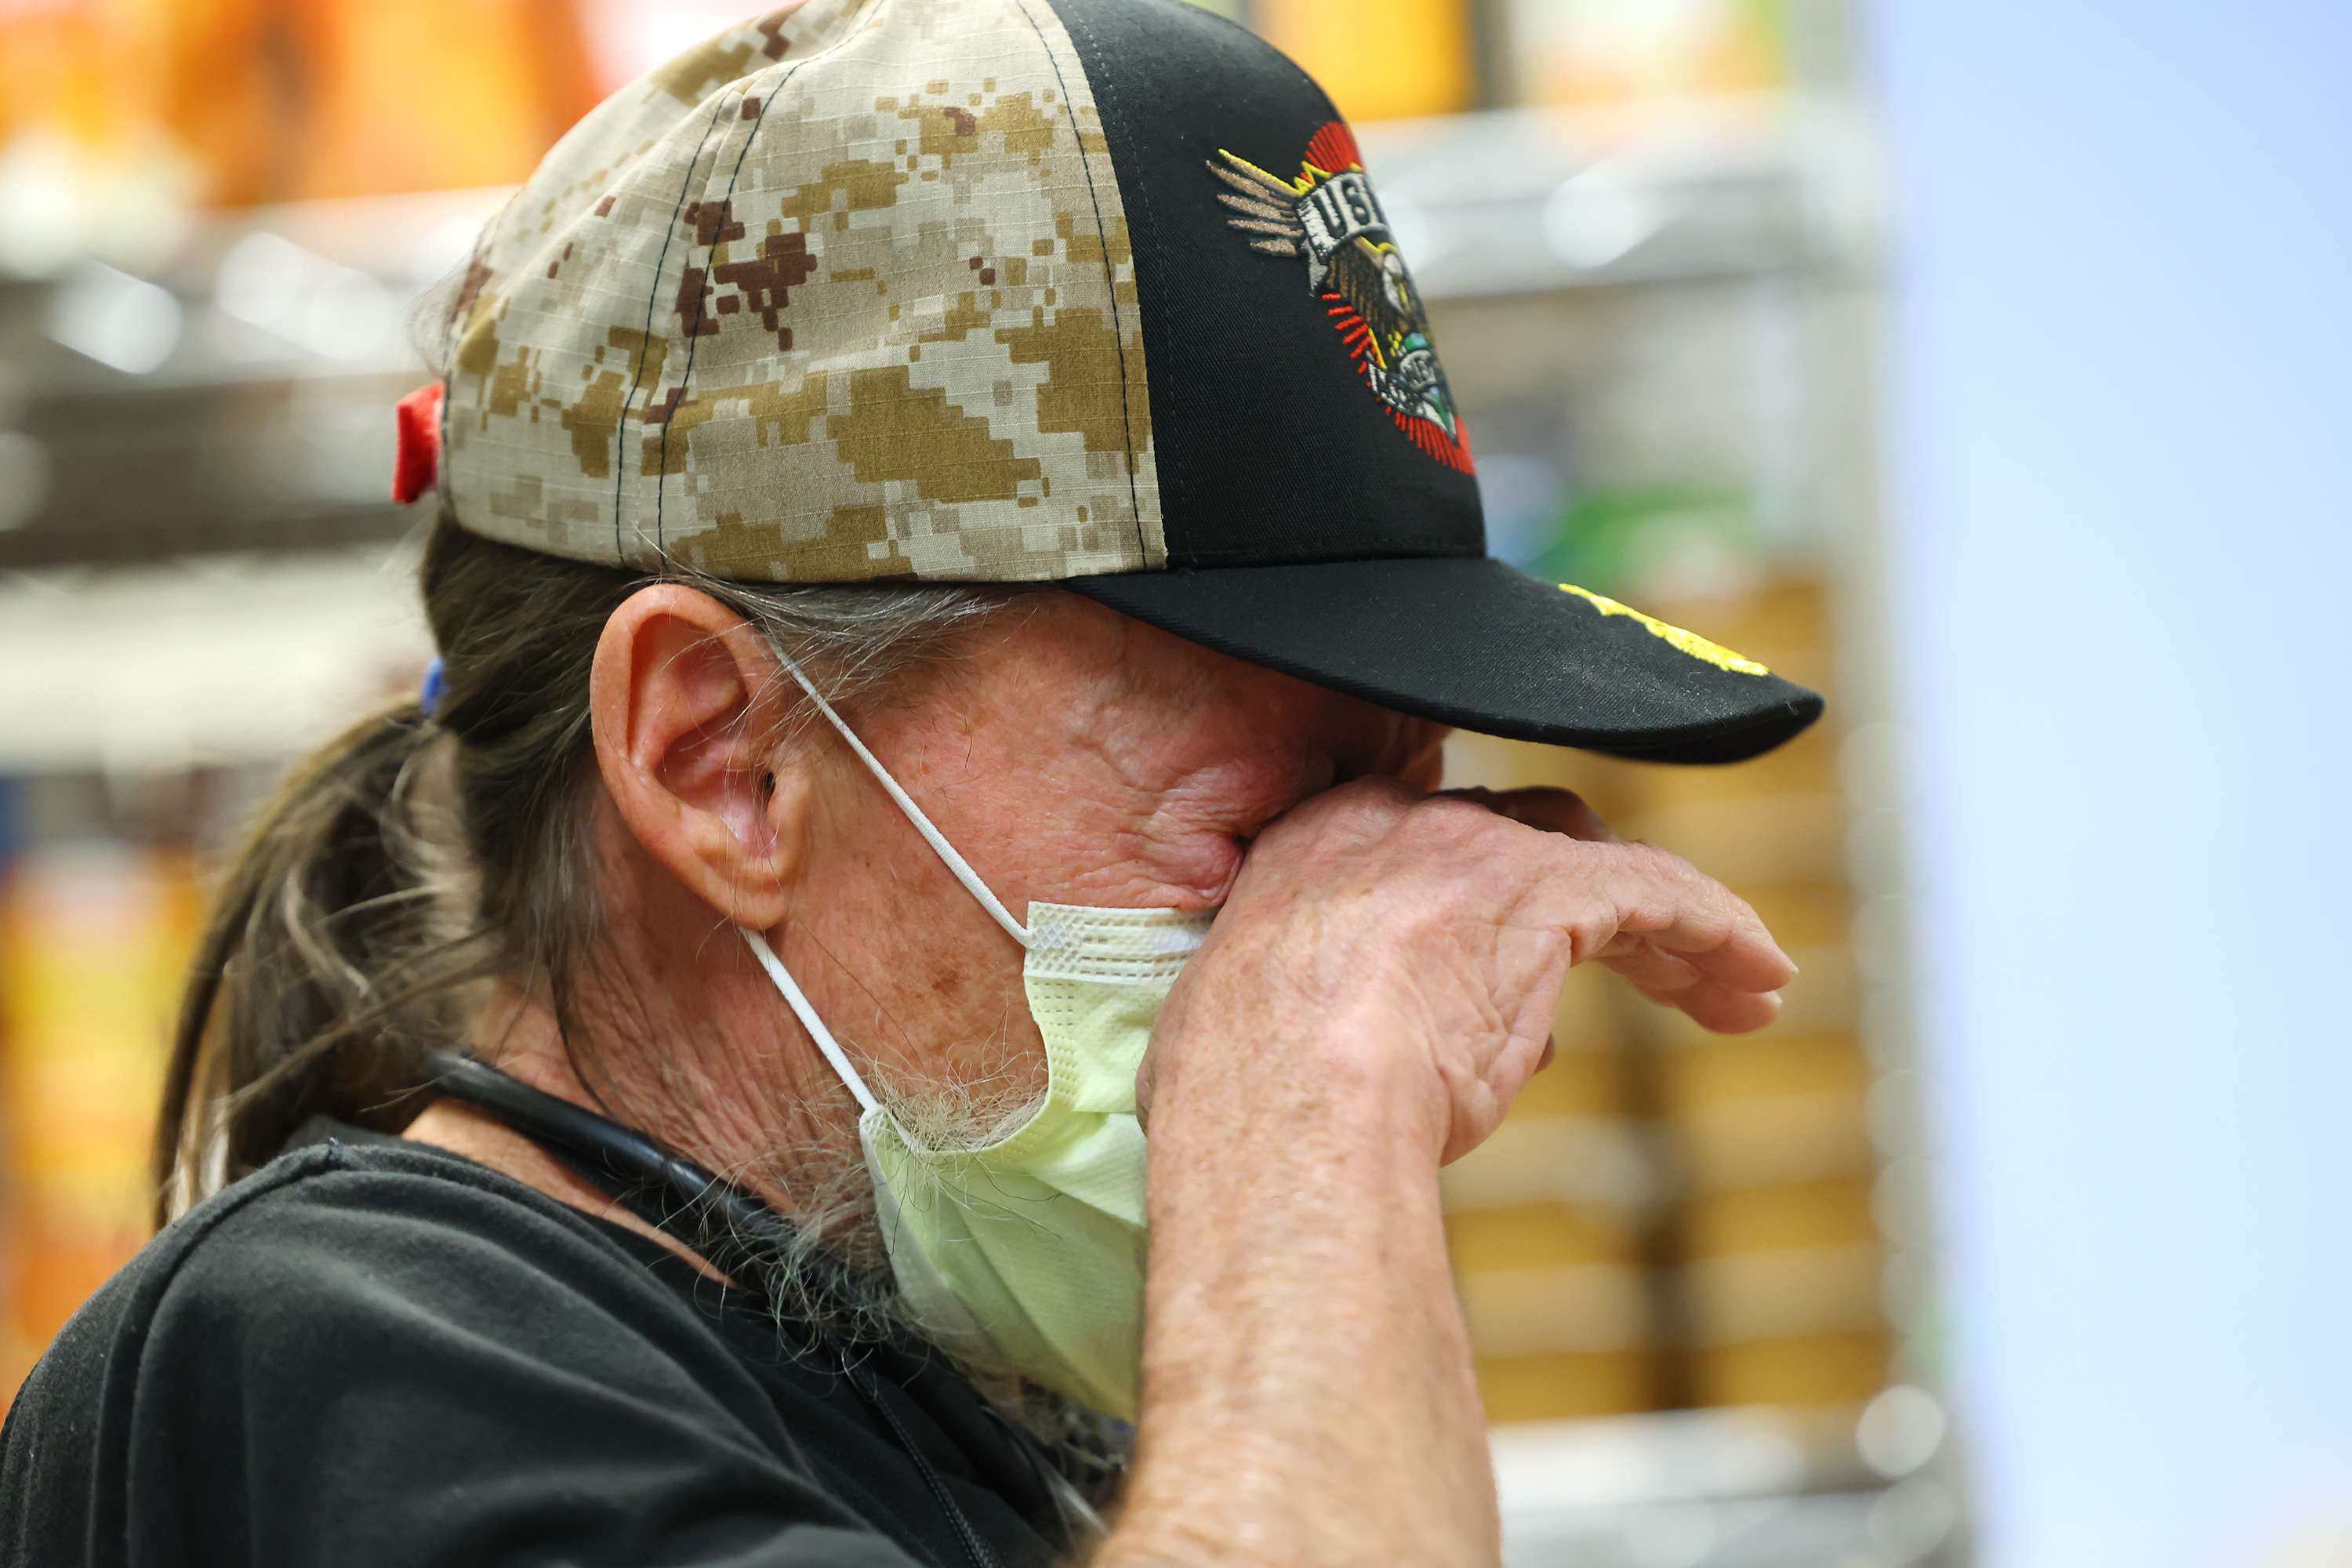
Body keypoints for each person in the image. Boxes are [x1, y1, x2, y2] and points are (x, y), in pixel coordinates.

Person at [1, 2, 1823, 1564]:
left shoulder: (933, 1389)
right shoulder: (348, 1371)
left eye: (1406, 809)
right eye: (1267, 831)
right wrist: (1316, 1088)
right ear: (722, 762)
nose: (1354, 911)